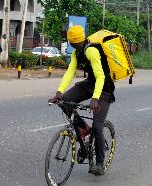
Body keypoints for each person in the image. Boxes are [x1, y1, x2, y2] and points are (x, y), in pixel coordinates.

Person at [48, 25, 115, 176]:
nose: (72, 44)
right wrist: (59, 92)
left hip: (104, 89)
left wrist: (95, 99)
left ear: (74, 41)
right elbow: (70, 72)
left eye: (72, 42)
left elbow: (101, 76)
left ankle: (99, 163)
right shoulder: (77, 53)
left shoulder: (91, 50)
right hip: (90, 84)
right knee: (65, 101)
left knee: (98, 126)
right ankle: (84, 128)